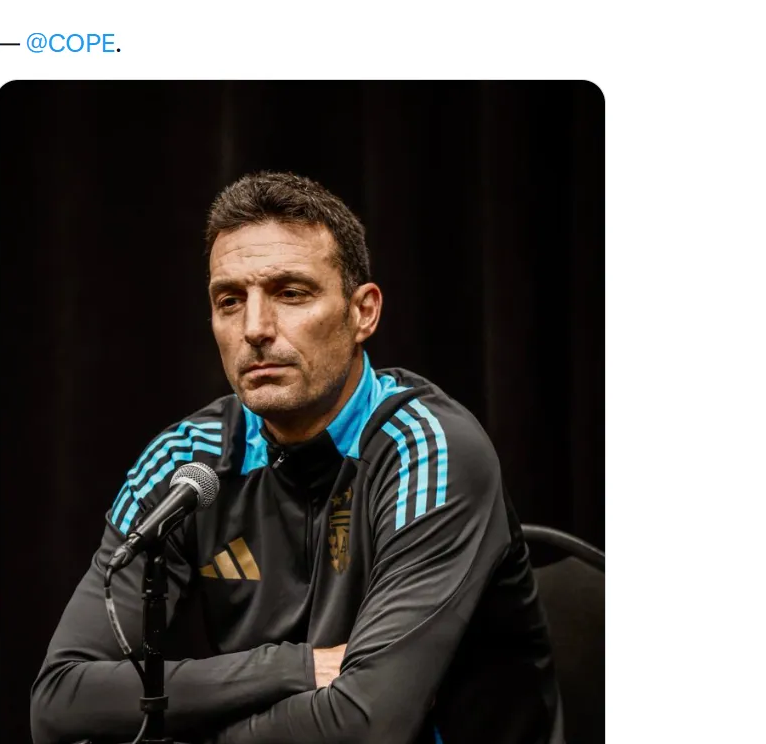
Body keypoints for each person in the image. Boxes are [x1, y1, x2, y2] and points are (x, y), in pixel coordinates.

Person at [30, 171, 564, 744]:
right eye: (230, 301)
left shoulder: (429, 448)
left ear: (363, 312)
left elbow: (366, 726)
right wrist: (294, 668)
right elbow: (59, 700)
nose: (255, 329)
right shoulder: (186, 462)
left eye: (291, 293)